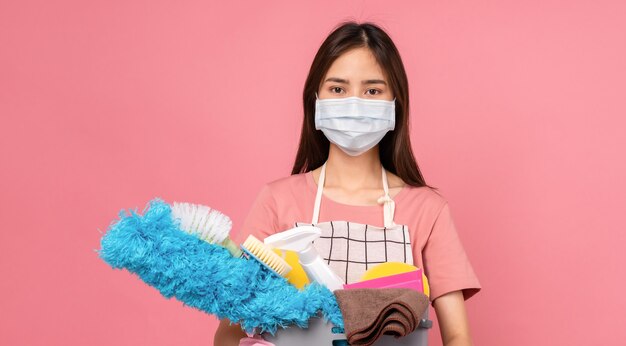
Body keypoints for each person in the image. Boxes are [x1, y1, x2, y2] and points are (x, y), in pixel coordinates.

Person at [214, 21, 481, 346]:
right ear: (316, 100)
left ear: (394, 104)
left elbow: (458, 338)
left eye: (372, 90)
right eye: (338, 89)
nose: (354, 104)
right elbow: (229, 334)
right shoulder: (277, 200)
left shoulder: (427, 209)